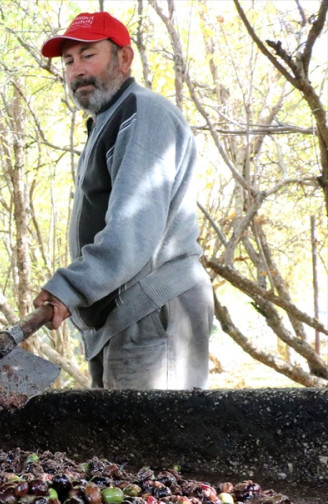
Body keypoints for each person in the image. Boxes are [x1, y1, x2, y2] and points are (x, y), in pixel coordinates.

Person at [36, 11, 213, 389]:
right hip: (126, 316)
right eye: (68, 62)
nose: (77, 70)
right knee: (119, 442)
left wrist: (72, 287)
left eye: (88, 55)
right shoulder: (110, 119)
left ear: (124, 58)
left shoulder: (142, 113)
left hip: (153, 311)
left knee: (152, 443)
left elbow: (133, 226)